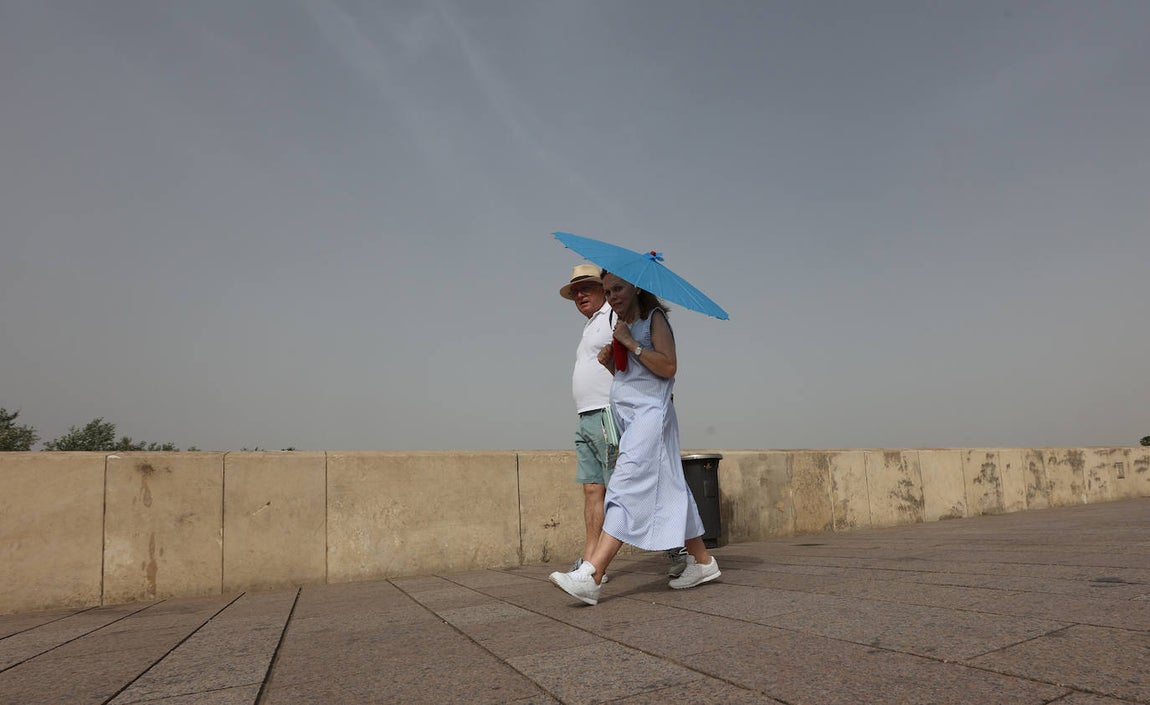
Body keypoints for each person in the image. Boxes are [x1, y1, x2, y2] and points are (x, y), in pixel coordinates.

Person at [550, 270, 720, 605]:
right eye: (609, 290)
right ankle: (703, 562)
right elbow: (637, 379)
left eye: (618, 289)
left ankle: (593, 574)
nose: (613, 296)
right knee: (672, 489)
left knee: (625, 484)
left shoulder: (654, 319)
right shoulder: (623, 325)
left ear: (636, 287)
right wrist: (613, 364)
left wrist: (630, 344)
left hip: (651, 418)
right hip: (631, 417)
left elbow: (668, 367)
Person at [560, 264, 617, 578]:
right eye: (575, 292)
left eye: (586, 288)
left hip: (608, 414)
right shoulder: (591, 325)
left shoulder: (612, 316)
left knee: (625, 489)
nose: (580, 295)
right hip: (587, 417)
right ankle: (591, 560)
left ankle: (680, 549)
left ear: (603, 288)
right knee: (593, 491)